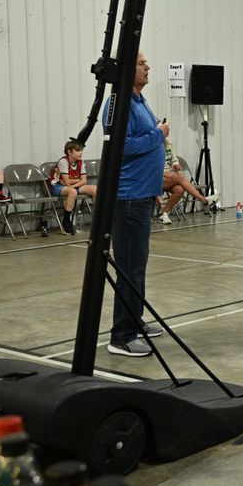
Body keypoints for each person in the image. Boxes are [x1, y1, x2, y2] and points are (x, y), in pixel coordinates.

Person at [107, 52, 169, 358]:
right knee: (130, 269)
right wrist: (158, 134)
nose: (148, 67)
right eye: (142, 63)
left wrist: (154, 186)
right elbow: (123, 145)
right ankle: (122, 335)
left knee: (138, 267)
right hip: (128, 198)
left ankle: (135, 320)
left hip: (142, 194)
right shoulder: (120, 102)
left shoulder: (139, 100)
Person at [156, 140, 218, 225]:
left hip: (169, 177)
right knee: (180, 177)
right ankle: (204, 200)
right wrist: (164, 173)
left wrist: (176, 165)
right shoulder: (153, 145)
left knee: (180, 190)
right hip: (156, 177)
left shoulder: (169, 145)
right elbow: (149, 166)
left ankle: (164, 214)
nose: (167, 133)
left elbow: (174, 160)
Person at [49, 140, 96, 235]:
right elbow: (67, 182)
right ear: (69, 152)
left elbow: (84, 181)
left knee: (95, 189)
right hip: (58, 186)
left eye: (81, 150)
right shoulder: (63, 161)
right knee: (72, 192)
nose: (80, 153)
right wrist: (78, 180)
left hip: (73, 187)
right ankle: (66, 221)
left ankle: (98, 218)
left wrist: (74, 184)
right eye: (77, 150)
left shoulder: (80, 162)